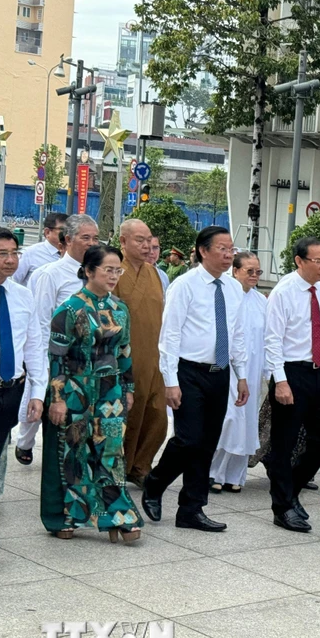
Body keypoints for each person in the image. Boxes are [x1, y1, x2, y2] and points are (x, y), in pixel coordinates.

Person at [142, 226, 249, 533]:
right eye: (223, 249)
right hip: (188, 372)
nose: (229, 255)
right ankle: (155, 481)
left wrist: (241, 375)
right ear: (203, 251)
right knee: (188, 438)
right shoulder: (185, 285)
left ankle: (191, 508)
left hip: (220, 372)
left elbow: (237, 334)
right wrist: (170, 381)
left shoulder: (231, 288)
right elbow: (170, 335)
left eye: (232, 250)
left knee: (207, 443)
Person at [41, 244, 143, 542]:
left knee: (110, 451)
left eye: (117, 270)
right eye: (108, 270)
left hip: (110, 391)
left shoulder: (119, 309)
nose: (114, 276)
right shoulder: (69, 310)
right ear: (88, 271)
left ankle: (118, 516)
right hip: (74, 390)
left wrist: (129, 388)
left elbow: (125, 352)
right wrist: (57, 399)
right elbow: (56, 358)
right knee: (72, 453)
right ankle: (65, 517)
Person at [0, 228, 46, 564]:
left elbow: (33, 345)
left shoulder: (22, 295)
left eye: (14, 252)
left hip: (10, 389)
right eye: (2, 253)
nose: (11, 260)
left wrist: (37, 392)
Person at [264, 236, 320, 533]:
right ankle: (282, 507)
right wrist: (280, 382)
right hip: (291, 373)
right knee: (285, 443)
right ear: (299, 261)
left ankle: (290, 489)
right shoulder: (283, 292)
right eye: (317, 261)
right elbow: (272, 340)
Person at [13, 214, 100, 466]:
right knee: (44, 413)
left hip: (88, 363)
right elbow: (40, 323)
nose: (92, 243)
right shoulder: (49, 275)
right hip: (58, 360)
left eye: (96, 238)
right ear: (68, 239)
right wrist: (41, 366)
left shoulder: (97, 274)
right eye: (86, 238)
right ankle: (25, 443)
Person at [114, 219, 168, 486]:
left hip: (155, 357)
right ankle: (119, 467)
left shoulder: (155, 273)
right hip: (125, 358)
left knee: (157, 413)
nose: (147, 246)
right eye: (140, 240)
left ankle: (141, 465)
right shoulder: (114, 272)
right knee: (128, 413)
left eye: (149, 240)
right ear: (122, 242)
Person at [210, 252, 267, 493]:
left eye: (258, 272)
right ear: (235, 271)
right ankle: (214, 471)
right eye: (249, 271)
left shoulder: (262, 301)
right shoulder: (225, 295)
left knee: (246, 422)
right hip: (229, 367)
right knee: (229, 418)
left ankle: (235, 474)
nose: (254, 276)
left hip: (253, 371)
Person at [12, 212, 67, 285]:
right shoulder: (29, 254)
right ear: (47, 232)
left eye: (71, 231)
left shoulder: (73, 254)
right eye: (63, 230)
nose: (68, 234)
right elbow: (14, 282)